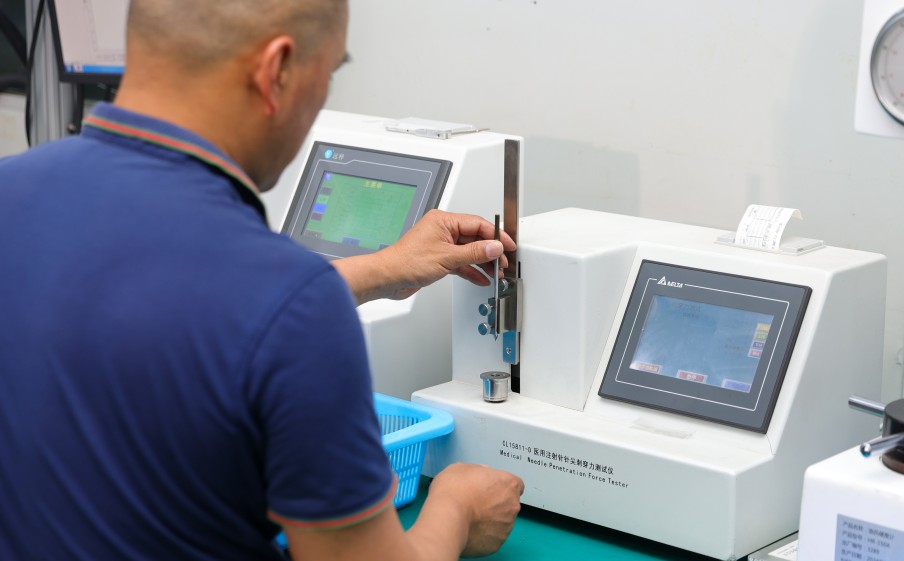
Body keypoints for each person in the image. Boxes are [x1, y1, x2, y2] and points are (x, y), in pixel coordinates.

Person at [0, 0, 524, 560]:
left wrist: (381, 270)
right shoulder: (293, 306)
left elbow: (173, 299)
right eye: (328, 74)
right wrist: (458, 509)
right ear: (276, 72)